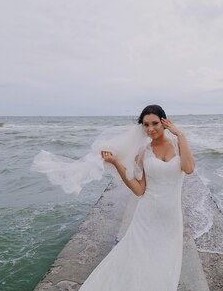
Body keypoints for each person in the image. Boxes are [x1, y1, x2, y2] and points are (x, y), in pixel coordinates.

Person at [78, 104, 195, 291]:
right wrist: (116, 163)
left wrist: (180, 134)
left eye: (155, 123)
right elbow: (139, 190)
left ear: (165, 122)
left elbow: (189, 169)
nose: (150, 129)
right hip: (146, 215)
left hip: (171, 217)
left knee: (165, 262)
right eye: (146, 124)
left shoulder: (178, 145)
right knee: (139, 259)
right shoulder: (143, 153)